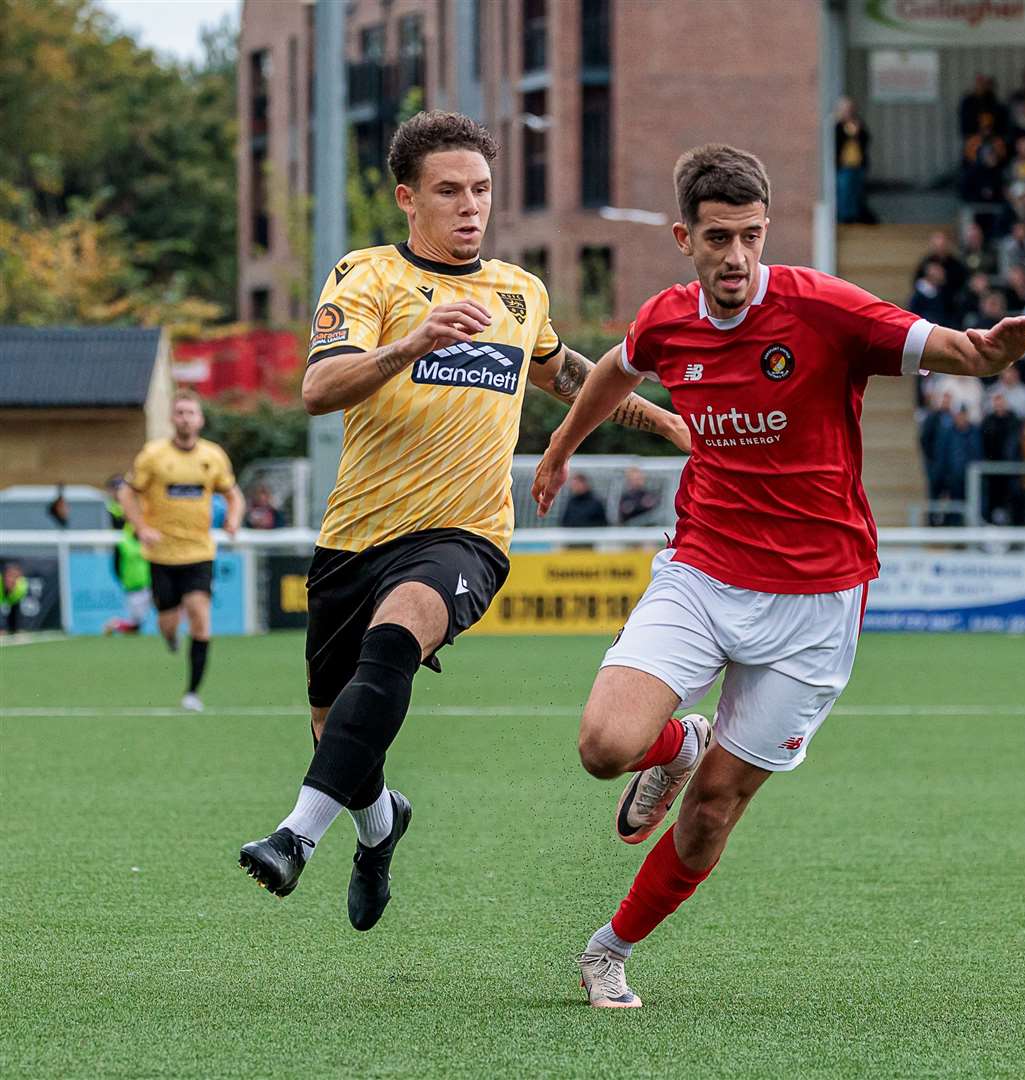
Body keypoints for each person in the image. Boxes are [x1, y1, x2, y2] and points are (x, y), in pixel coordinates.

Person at [530, 143, 1025, 1008]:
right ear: (684, 238)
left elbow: (945, 347)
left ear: (767, 230)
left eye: (751, 237)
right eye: (718, 239)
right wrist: (557, 447)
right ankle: (678, 743)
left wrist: (985, 355)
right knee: (604, 747)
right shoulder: (668, 317)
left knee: (711, 813)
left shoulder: (822, 310)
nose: (736, 257)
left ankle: (607, 949)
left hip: (817, 601)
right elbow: (618, 369)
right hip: (702, 570)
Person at [236, 111, 688, 928]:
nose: (469, 205)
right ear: (408, 198)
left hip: (465, 534)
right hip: (354, 537)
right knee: (337, 731)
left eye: (480, 188)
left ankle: (295, 838)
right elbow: (317, 391)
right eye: (449, 191)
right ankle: (379, 827)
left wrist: (663, 424)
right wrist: (410, 343)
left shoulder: (521, 291)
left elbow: (568, 375)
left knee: (398, 635)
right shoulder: (367, 276)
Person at [118, 389, 244, 711]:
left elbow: (234, 496)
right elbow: (127, 494)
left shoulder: (213, 456)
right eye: (180, 413)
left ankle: (192, 693)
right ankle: (171, 636)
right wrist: (141, 528)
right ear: (172, 419)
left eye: (191, 413)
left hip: (199, 552)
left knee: (200, 617)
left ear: (200, 419)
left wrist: (232, 520)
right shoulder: (153, 455)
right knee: (168, 621)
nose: (185, 418)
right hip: (162, 555)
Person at [103, 475, 152, 636]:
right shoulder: (115, 512)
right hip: (134, 584)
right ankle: (115, 625)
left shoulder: (140, 521)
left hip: (151, 581)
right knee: (136, 625)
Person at [834, 97, 871, 225]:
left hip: (858, 165)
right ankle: (845, 217)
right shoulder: (837, 126)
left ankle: (856, 216)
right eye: (845, 110)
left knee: (857, 191)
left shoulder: (858, 124)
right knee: (844, 191)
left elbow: (866, 140)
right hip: (843, 166)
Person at [1, 563, 28, 635]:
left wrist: (18, 629)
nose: (11, 580)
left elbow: (15, 607)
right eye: (9, 576)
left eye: (15, 577)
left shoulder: (22, 586)